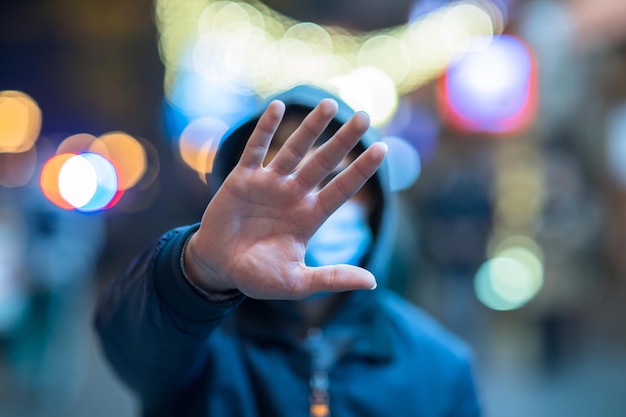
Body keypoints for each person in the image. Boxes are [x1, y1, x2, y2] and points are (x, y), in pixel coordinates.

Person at [94, 85, 482, 417]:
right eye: (280, 175)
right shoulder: (194, 343)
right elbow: (129, 342)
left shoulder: (440, 367)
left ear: (376, 203)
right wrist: (197, 270)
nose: (301, 203)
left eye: (332, 178)